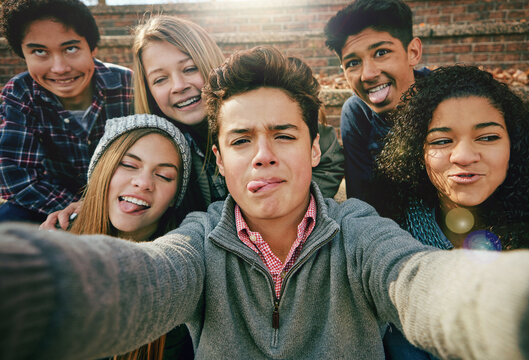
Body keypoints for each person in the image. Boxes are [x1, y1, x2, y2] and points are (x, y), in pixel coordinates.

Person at [1, 46, 529, 360]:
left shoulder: (358, 230)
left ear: (312, 148)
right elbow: (143, 280)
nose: (262, 156)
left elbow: (420, 280)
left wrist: (516, 304)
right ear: (218, 159)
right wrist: (29, 284)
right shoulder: (197, 239)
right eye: (241, 141)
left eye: (283, 135)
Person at [43, 15, 344, 230]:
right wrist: (96, 204)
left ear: (208, 62)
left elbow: (328, 157)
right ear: (148, 90)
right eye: (160, 79)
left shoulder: (261, 110)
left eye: (189, 69)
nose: (178, 85)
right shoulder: (163, 145)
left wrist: (273, 204)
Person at [377, 65, 529, 251]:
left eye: (487, 137)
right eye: (442, 141)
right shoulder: (390, 240)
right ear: (418, 154)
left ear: (514, 144)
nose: (464, 157)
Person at [70, 114, 192, 360]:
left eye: (165, 176)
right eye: (129, 164)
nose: (143, 183)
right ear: (102, 169)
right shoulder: (46, 252)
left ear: (174, 198)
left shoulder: (177, 281)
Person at [0, 0, 133, 223]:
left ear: (92, 48)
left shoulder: (127, 84)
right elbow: (14, 176)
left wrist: (101, 208)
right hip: (50, 204)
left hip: (124, 203)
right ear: (24, 55)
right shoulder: (20, 93)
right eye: (40, 51)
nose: (60, 68)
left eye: (70, 48)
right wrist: (78, 210)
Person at [324, 0, 429, 209]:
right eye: (353, 63)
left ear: (413, 52)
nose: (368, 74)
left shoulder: (451, 98)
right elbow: (363, 205)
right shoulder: (357, 113)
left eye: (381, 53)